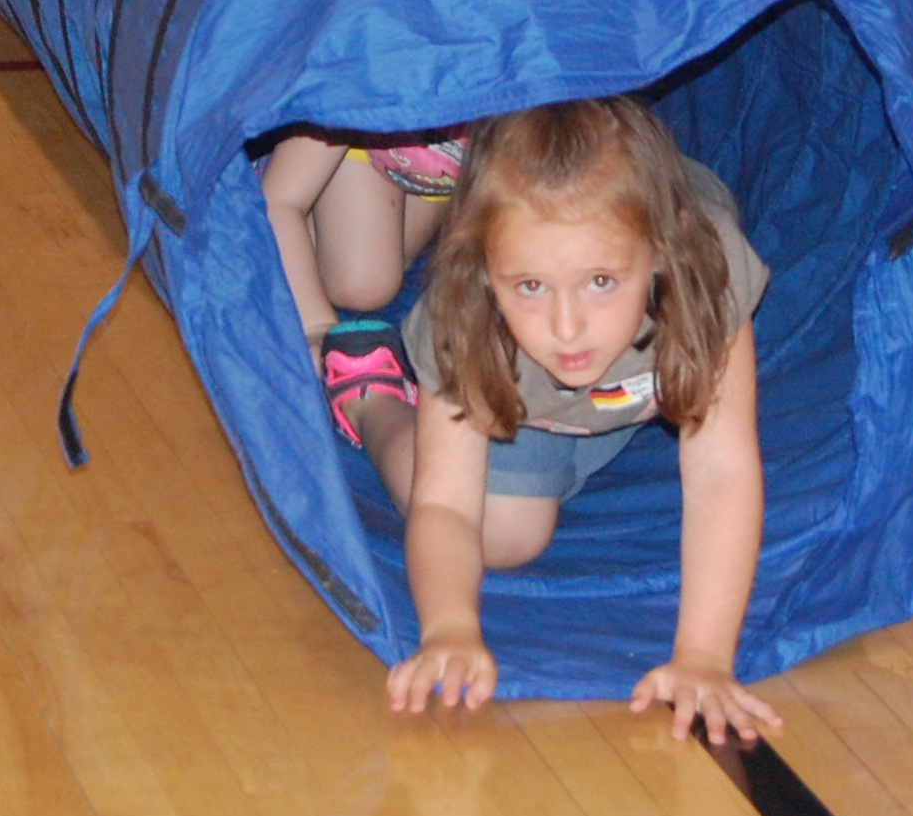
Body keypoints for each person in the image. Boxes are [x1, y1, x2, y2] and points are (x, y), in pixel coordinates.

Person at [329, 96, 783, 745]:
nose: (568, 328)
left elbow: (722, 473)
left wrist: (704, 658)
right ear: (485, 273)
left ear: (656, 256)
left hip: (641, 351)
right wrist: (449, 629)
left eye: (600, 282)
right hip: (530, 398)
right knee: (502, 538)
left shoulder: (699, 283)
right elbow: (447, 506)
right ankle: (371, 398)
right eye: (530, 287)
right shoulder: (470, 318)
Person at [261, 130, 470, 434]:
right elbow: (278, 202)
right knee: (362, 286)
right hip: (356, 127)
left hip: (434, 161)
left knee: (377, 271)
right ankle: (271, 166)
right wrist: (317, 328)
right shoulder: (353, 94)